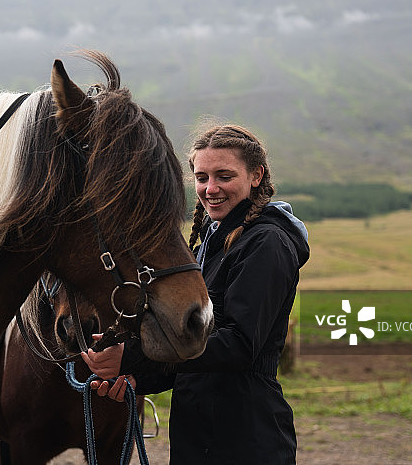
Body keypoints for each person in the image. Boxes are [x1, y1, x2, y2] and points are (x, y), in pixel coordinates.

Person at [82, 123, 309, 464]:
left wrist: (132, 356)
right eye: (202, 178)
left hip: (247, 439)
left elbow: (239, 346)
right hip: (197, 436)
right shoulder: (211, 245)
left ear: (256, 175)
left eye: (224, 176)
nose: (211, 188)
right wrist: (134, 377)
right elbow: (195, 354)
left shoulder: (267, 243)